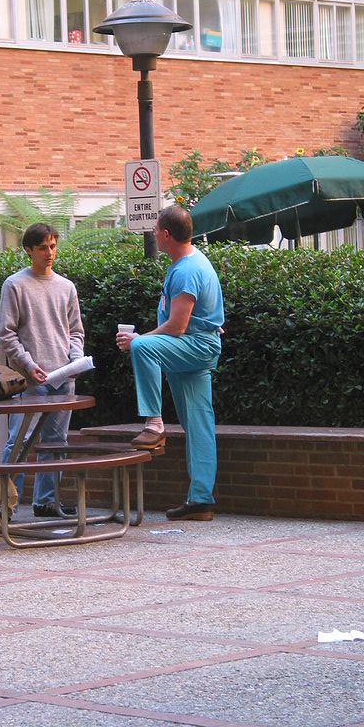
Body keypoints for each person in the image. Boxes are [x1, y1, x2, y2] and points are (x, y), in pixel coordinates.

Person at [116, 206, 224, 522]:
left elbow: (177, 327)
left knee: (144, 348)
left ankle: (154, 425)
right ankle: (201, 501)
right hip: (195, 345)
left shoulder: (187, 269)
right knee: (199, 425)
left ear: (166, 235)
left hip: (193, 346)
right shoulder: (187, 262)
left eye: (155, 230)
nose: (153, 235)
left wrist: (140, 340)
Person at [0, 222, 85, 517]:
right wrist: (28, 364)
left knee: (56, 443)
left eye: (53, 246)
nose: (49, 253)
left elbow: (75, 332)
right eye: (43, 248)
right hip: (29, 380)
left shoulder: (66, 287)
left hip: (63, 377)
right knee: (19, 442)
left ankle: (46, 501)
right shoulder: (15, 285)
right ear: (29, 250)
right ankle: (5, 503)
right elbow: (7, 334)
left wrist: (75, 361)